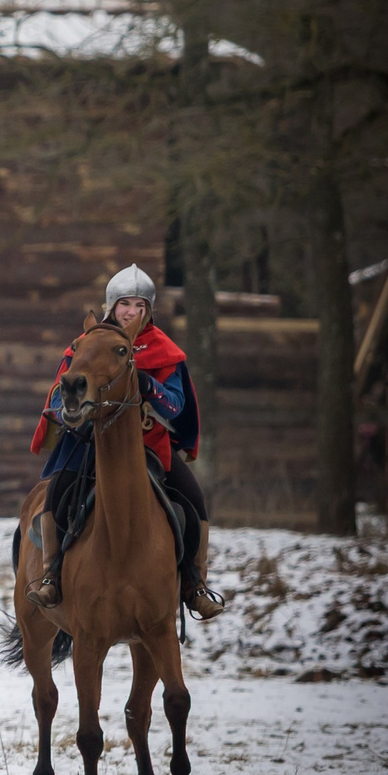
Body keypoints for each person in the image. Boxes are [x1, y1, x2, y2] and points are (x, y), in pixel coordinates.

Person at [28, 264, 226, 617]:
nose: (131, 312)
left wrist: (150, 387)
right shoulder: (86, 346)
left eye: (139, 305)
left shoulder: (166, 352)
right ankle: (52, 575)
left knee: (194, 501)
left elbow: (177, 406)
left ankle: (194, 584)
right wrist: (71, 415)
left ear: (149, 310)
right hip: (90, 443)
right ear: (111, 306)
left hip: (148, 446)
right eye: (125, 304)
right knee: (57, 492)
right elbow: (61, 394)